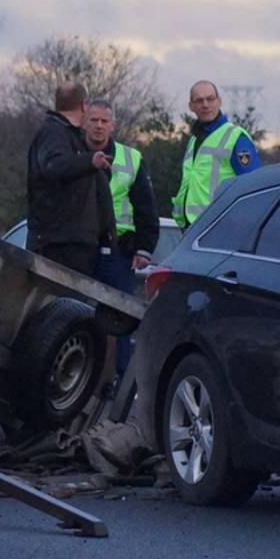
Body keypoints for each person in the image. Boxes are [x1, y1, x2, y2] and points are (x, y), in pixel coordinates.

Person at [85, 99, 158, 378]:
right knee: (76, 311)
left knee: (119, 318)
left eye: (104, 121)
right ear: (85, 122)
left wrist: (145, 248)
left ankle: (119, 382)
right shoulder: (73, 153)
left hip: (117, 250)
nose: (99, 126)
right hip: (81, 247)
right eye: (94, 120)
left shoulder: (131, 159)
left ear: (113, 125)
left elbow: (145, 208)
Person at [26, 81, 115, 277]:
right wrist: (89, 161)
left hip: (75, 242)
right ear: (83, 105)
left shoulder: (70, 136)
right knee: (64, 304)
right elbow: (54, 166)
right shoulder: (54, 133)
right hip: (59, 244)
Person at [171, 81, 261, 228]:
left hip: (221, 227)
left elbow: (253, 187)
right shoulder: (194, 140)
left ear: (219, 101)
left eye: (210, 99)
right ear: (191, 107)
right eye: (199, 101)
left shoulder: (236, 137)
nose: (205, 105)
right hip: (191, 226)